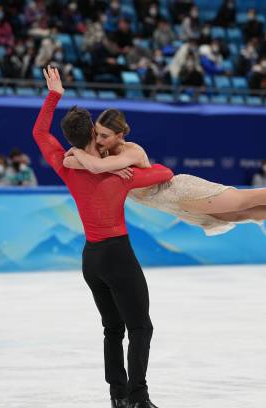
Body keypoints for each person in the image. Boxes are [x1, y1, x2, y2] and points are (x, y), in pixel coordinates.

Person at [35, 67, 174, 408]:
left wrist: (54, 96)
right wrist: (126, 165)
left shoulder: (65, 163)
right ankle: (138, 397)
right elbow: (165, 174)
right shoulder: (120, 173)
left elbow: (40, 132)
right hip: (117, 256)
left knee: (113, 329)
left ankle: (117, 397)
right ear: (93, 136)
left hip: (91, 259)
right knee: (141, 328)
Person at [61, 109, 266, 242]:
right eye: (97, 134)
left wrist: (91, 160)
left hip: (179, 191)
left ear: (120, 135)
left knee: (242, 201)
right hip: (175, 207)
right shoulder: (106, 156)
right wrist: (83, 154)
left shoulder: (131, 152)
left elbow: (90, 165)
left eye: (105, 135)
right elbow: (69, 160)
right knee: (242, 215)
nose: (98, 140)